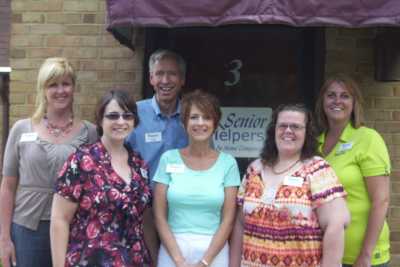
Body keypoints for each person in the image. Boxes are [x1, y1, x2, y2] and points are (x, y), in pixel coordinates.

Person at [0, 57, 97, 267]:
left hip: (75, 227)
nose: (60, 90)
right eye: (53, 85)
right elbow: (8, 186)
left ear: (73, 88)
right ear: (43, 90)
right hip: (28, 228)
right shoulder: (21, 129)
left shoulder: (90, 133)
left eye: (66, 84)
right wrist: (4, 239)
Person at [230, 103, 350, 267]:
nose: (288, 131)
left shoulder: (318, 170)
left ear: (307, 133)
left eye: (296, 127)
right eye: (282, 126)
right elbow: (239, 225)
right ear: (274, 131)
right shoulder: (254, 170)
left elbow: (336, 227)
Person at [50, 89, 156, 267]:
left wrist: (155, 259)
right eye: (113, 116)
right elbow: (60, 219)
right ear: (100, 120)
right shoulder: (82, 161)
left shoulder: (139, 165)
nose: (121, 122)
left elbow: (145, 220)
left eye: (127, 116)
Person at [153, 89, 240, 267]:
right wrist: (178, 260)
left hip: (213, 251)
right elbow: (159, 215)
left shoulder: (228, 163)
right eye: (194, 117)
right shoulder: (168, 159)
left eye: (207, 117)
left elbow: (228, 220)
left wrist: (205, 262)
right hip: (173, 249)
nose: (200, 123)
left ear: (215, 123)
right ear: (184, 122)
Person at [315, 74, 391, 267]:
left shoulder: (368, 139)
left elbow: (381, 201)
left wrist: (365, 254)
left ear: (354, 103)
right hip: (325, 254)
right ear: (322, 101)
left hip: (362, 257)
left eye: (345, 96)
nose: (337, 101)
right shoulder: (316, 144)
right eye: (331, 95)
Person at [126, 49, 188, 181]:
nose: (165, 80)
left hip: (183, 199)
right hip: (143, 198)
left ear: (182, 79)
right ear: (151, 78)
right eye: (159, 73)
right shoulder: (133, 114)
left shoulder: (193, 116)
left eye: (172, 74)